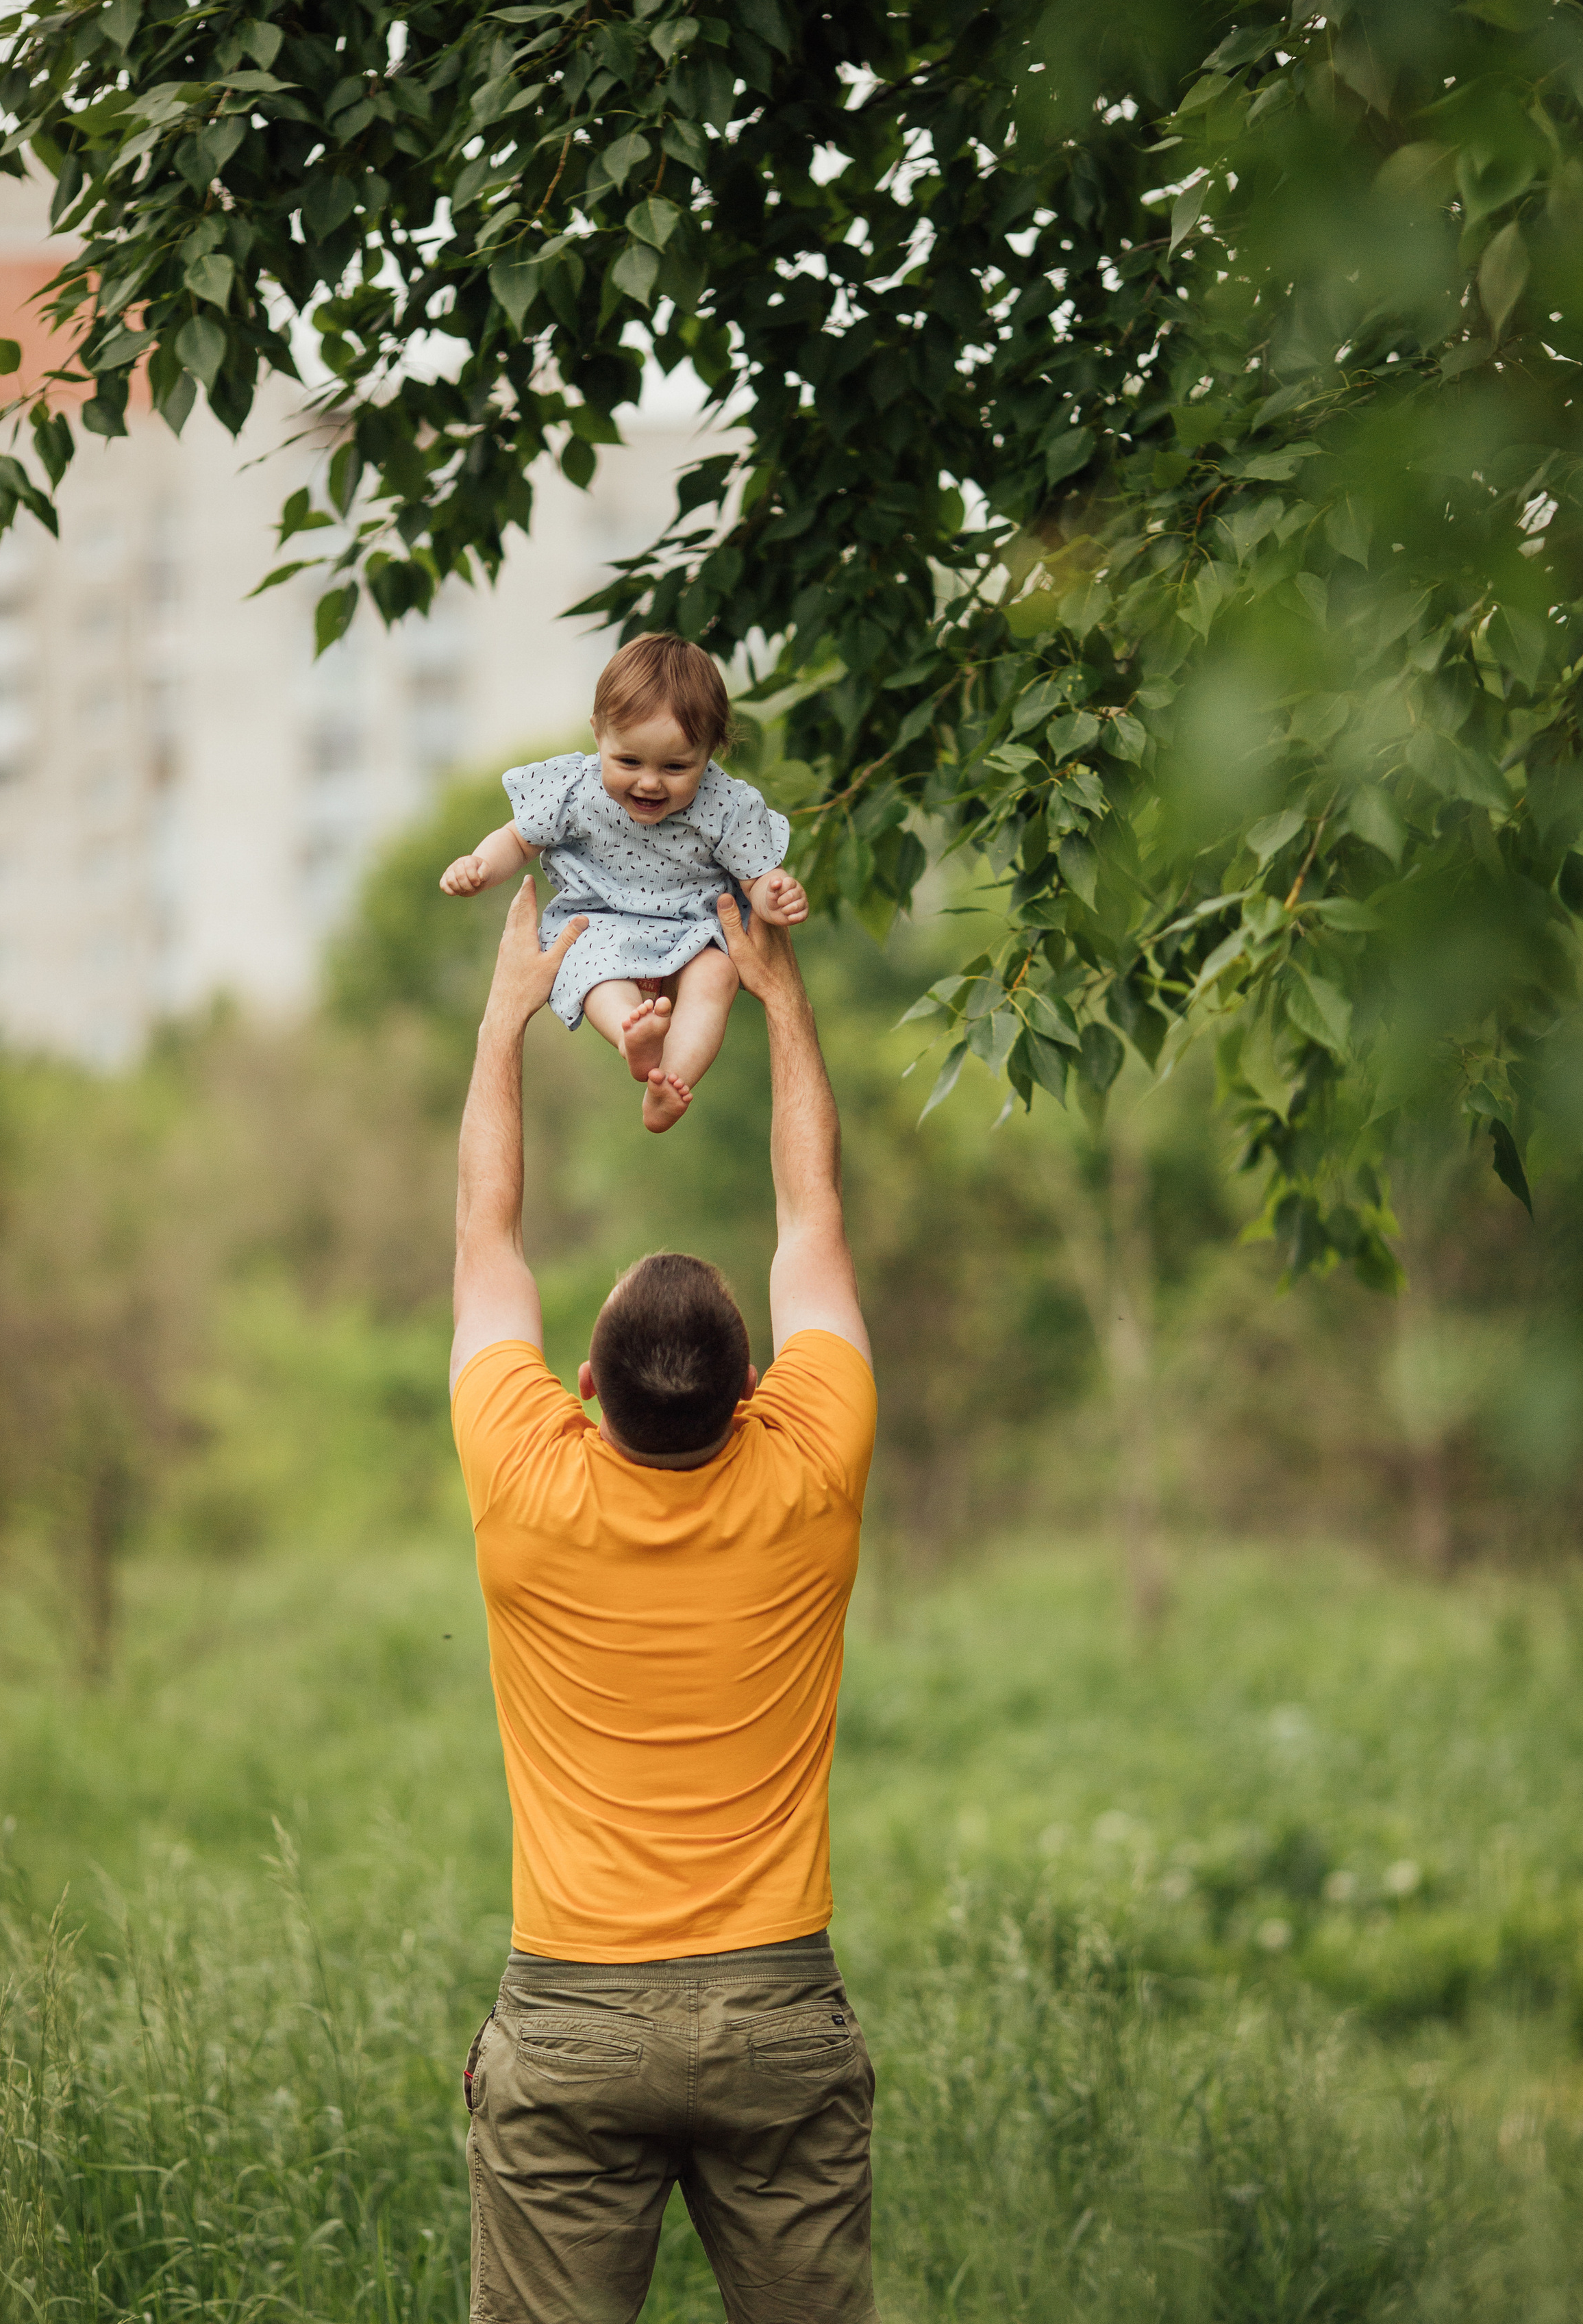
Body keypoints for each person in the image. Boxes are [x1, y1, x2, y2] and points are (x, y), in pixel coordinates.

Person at [448, 877, 880, 2324]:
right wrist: (782, 1002)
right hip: (775, 2015)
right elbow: (809, 1212)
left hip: (571, 2019)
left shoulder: (526, 1476)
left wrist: (509, 1020)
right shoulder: (808, 1462)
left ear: (582, 1391)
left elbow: (485, 1237)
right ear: (755, 1393)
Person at [438, 633, 809, 1132]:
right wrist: (480, 866)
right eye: (629, 762)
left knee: (718, 977)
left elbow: (756, 876)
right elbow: (519, 840)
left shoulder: (725, 804)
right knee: (597, 974)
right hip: (599, 921)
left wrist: (775, 895)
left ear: (711, 751)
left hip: (691, 928)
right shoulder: (574, 789)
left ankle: (670, 1081)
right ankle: (632, 1036)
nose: (650, 782)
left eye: (676, 767)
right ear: (599, 734)